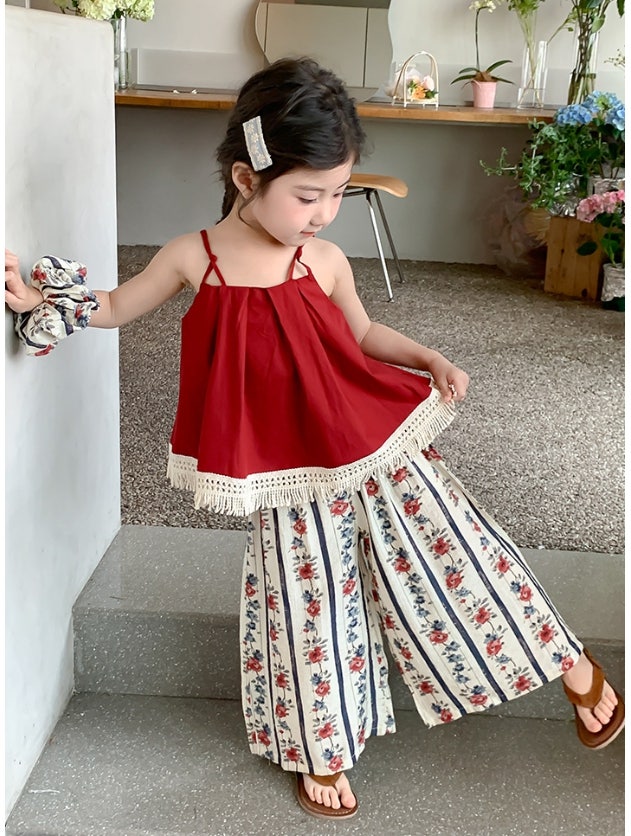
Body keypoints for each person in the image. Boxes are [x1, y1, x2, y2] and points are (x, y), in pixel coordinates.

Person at [5, 57, 624, 821]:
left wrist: (427, 358)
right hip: (285, 475)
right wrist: (39, 299)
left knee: (454, 557)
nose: (325, 212)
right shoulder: (193, 257)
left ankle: (565, 662)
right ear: (245, 178)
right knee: (307, 605)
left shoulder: (322, 259)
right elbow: (112, 307)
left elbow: (361, 334)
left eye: (337, 192)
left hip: (372, 446)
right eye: (308, 196)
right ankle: (320, 744)